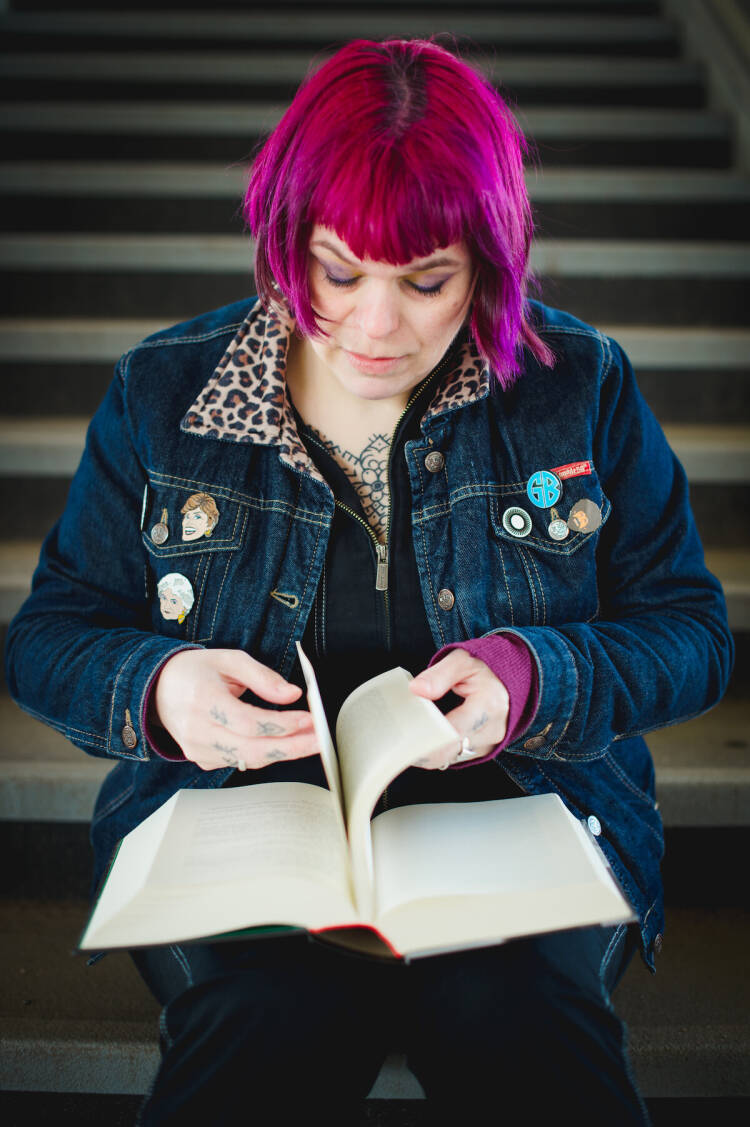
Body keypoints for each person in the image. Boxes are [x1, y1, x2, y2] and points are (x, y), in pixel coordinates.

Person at [5, 37, 733, 1127]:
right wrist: (158, 689)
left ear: (489, 261)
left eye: (428, 280)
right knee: (264, 1020)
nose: (376, 326)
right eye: (338, 272)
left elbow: (692, 631)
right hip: (237, 835)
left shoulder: (579, 385)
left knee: (521, 1019)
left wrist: (534, 677)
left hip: (527, 822)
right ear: (283, 238)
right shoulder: (164, 392)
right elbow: (50, 633)